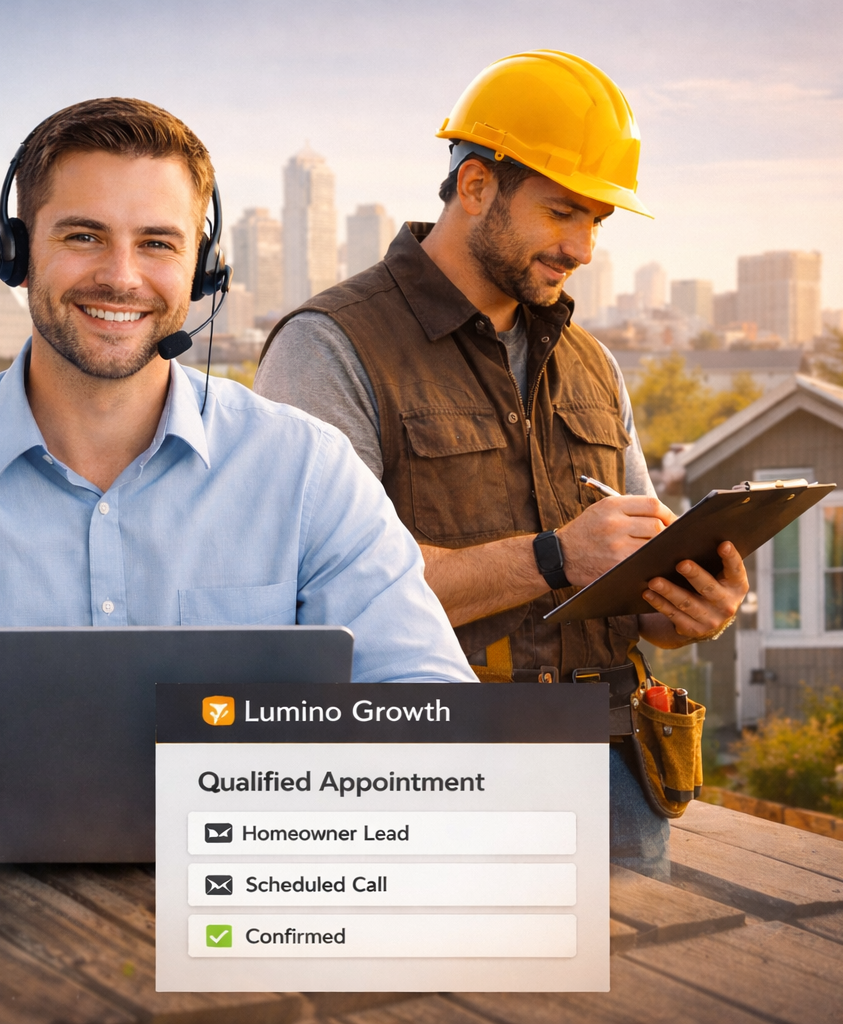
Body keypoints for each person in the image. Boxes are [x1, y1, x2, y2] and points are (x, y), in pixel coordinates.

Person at [0, 97, 472, 685]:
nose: (121, 277)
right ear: (15, 253)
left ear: (202, 270)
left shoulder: (310, 473)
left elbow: (430, 712)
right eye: (83, 236)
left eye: (158, 243)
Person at [254, 51, 746, 878]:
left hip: (617, 787)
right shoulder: (328, 347)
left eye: (598, 220)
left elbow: (629, 576)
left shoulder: (592, 365)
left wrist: (690, 605)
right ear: (476, 184)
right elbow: (316, 601)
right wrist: (554, 557)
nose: (583, 247)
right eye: (562, 212)